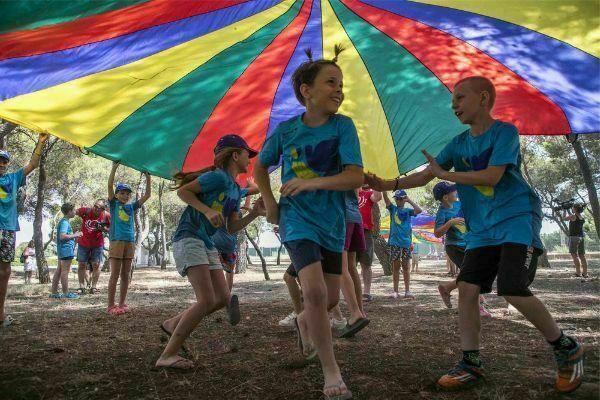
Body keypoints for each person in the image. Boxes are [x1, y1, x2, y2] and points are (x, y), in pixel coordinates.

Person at [365, 76, 585, 393]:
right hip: (482, 228)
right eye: (452, 100)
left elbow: (493, 176)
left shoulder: (504, 133)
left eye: (460, 98)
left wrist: (446, 174)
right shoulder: (458, 143)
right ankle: (470, 363)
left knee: (511, 287)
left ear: (484, 98)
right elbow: (428, 174)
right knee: (467, 288)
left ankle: (566, 347)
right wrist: (387, 184)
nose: (454, 105)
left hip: (515, 217)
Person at [254, 46, 362, 400]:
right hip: (296, 219)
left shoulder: (343, 127)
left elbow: (354, 177)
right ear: (306, 90)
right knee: (314, 293)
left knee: (328, 298)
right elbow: (259, 166)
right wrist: (271, 203)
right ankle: (331, 372)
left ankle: (304, 321)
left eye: (341, 84)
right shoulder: (286, 131)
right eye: (331, 82)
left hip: (332, 222)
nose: (338, 89)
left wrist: (311, 182)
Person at [156, 134, 264, 370]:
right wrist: (205, 210)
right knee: (205, 300)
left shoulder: (235, 191)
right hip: (189, 237)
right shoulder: (216, 177)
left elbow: (232, 227)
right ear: (235, 155)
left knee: (222, 299)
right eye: (248, 155)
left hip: (205, 242)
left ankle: (173, 323)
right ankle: (168, 355)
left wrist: (254, 213)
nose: (250, 160)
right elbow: (184, 192)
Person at [0, 133, 48, 327]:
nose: (2, 164)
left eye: (4, 161)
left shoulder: (13, 178)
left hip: (8, 230)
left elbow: (33, 164)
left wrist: (41, 142)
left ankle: (1, 315)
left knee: (4, 272)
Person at [433, 182, 490, 317]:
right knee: (472, 273)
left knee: (470, 272)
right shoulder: (442, 212)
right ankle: (477, 307)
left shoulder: (459, 204)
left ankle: (447, 288)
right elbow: (437, 233)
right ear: (446, 197)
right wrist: (450, 223)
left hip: (467, 244)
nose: (456, 192)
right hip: (453, 246)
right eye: (453, 191)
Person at [211, 178, 259, 325]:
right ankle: (227, 298)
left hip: (216, 246)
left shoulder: (218, 211)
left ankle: (223, 299)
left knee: (216, 274)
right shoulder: (236, 214)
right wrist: (249, 189)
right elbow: (244, 206)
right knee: (229, 275)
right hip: (229, 247)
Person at [106, 162, 151, 315]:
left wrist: (147, 177)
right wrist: (114, 168)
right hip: (116, 241)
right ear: (117, 194)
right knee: (115, 274)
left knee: (126, 274)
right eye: (122, 193)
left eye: (127, 193)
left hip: (130, 242)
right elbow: (110, 185)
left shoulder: (131, 207)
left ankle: (122, 303)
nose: (125, 195)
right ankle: (111, 305)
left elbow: (147, 195)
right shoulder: (113, 205)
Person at [337, 189, 369, 338]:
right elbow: (357, 192)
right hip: (355, 215)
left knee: (341, 266)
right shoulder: (354, 165)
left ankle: (355, 313)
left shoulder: (332, 165)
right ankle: (360, 311)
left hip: (340, 215)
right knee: (351, 266)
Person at [382, 190, 422, 299]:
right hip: (395, 242)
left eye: (401, 198)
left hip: (406, 243)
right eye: (397, 198)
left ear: (404, 199)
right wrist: (383, 189)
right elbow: (386, 198)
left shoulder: (408, 211)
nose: (398, 200)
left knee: (406, 266)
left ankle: (407, 291)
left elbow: (419, 210)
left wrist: (409, 200)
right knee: (395, 266)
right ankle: (395, 291)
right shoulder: (393, 209)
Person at [76, 199, 110, 294]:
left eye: (99, 207)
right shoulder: (86, 210)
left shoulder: (106, 215)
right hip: (83, 243)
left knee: (96, 265)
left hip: (97, 244)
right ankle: (82, 287)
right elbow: (75, 211)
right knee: (82, 265)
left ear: (103, 209)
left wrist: (103, 228)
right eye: (95, 205)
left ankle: (94, 287)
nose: (95, 208)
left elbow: (111, 229)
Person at [49, 203, 82, 299]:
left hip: (63, 249)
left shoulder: (65, 222)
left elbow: (65, 236)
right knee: (65, 271)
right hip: (65, 250)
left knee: (59, 271)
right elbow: (62, 236)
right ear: (69, 212)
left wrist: (74, 235)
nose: (75, 212)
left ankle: (54, 293)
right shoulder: (64, 222)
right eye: (74, 210)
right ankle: (66, 293)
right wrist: (75, 235)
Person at [357, 186, 381, 301]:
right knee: (350, 265)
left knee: (366, 263)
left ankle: (366, 292)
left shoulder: (366, 194)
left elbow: (377, 197)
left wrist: (374, 179)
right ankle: (353, 292)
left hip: (365, 231)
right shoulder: (346, 194)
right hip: (348, 230)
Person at [563, 205, 588, 278]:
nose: (572, 209)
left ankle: (578, 273)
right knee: (582, 255)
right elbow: (572, 216)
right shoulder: (581, 217)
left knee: (574, 254)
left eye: (573, 208)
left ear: (576, 209)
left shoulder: (573, 217)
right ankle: (585, 273)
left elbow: (564, 218)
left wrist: (564, 210)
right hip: (581, 237)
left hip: (574, 237)